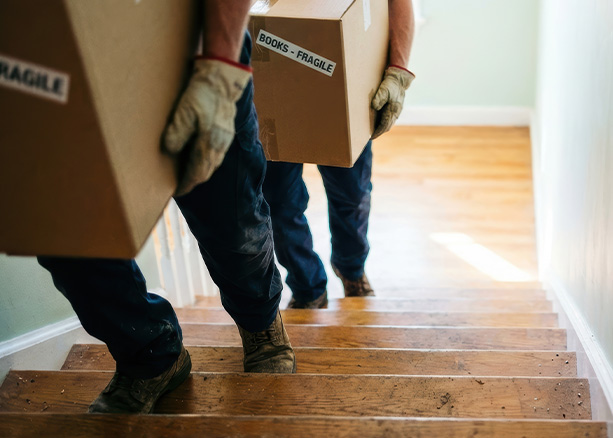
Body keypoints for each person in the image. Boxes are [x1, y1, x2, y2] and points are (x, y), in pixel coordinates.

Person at [37, 0, 294, 414]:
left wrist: (220, 71)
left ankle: (261, 321)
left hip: (192, 52)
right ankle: (151, 355)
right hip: (58, 78)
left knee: (233, 222)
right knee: (68, 240)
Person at [262, 0, 416, 308]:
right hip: (273, 86)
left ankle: (351, 268)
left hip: (345, 87)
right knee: (278, 203)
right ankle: (308, 286)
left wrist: (398, 71)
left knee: (352, 194)